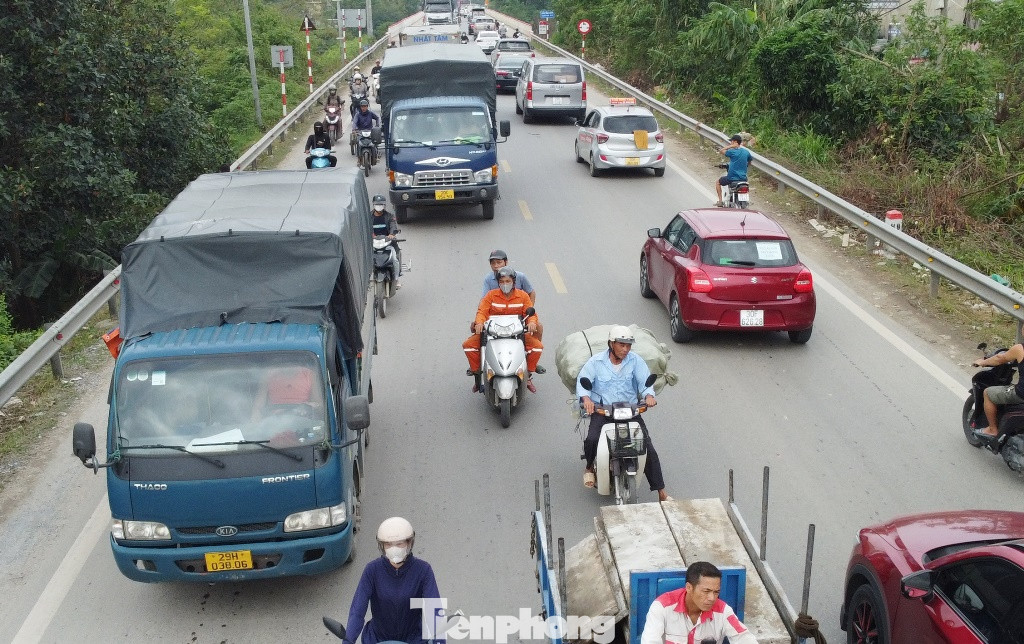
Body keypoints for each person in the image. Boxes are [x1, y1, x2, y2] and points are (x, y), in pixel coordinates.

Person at [578, 326, 669, 501]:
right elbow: (583, 385)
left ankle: (662, 492)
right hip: (603, 411)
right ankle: (589, 467)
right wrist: (587, 400)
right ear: (611, 344)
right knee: (591, 439)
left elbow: (645, 382)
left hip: (630, 411)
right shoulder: (596, 362)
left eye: (628, 345)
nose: (625, 349)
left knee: (648, 448)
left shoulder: (635, 361)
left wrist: (649, 395)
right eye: (622, 345)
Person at [345, 517, 443, 644]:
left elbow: (434, 610)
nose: (394, 548)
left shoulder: (423, 570)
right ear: (382, 546)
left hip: (413, 639)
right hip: (377, 639)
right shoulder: (372, 570)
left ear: (409, 543)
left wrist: (439, 640)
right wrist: (348, 640)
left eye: (399, 543)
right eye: (388, 544)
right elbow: (357, 611)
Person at [463, 266, 543, 393]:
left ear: (514, 282)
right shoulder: (491, 295)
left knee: (537, 347)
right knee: (468, 346)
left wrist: (532, 323)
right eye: (502, 282)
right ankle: (478, 373)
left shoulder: (522, 296)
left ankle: (528, 375)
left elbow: (531, 314)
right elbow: (482, 311)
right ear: (498, 283)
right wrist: (479, 323)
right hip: (492, 333)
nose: (505, 284)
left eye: (508, 281)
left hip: (516, 334)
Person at [640, 561, 758, 644]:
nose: (712, 598)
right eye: (706, 591)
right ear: (689, 588)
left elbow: (744, 638)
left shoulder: (723, 611)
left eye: (716, 592)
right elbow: (650, 641)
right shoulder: (662, 607)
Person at [480, 250, 544, 346]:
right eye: (493, 263)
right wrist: (480, 321)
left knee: (537, 327)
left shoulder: (520, 277)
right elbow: (484, 302)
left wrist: (528, 312)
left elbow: (531, 292)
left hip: (518, 313)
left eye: (499, 262)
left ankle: (531, 350)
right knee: (477, 332)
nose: (496, 266)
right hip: (497, 315)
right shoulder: (488, 280)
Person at [971, 343, 1024, 443]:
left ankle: (992, 430)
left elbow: (999, 359)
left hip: (1021, 394)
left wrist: (983, 362)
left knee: (988, 393)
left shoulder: (1019, 348)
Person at [371, 194, 402, 288]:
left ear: (384, 205)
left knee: (395, 259)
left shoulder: (389, 216)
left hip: (387, 242)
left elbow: (393, 225)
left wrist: (392, 234)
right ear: (373, 205)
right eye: (377, 204)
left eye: (381, 204)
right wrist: (370, 235)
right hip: (373, 243)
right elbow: (365, 228)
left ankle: (396, 279)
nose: (379, 206)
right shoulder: (368, 217)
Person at [715, 133, 753, 207]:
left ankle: (720, 201)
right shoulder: (746, 152)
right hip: (743, 179)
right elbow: (750, 162)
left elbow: (721, 151)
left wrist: (731, 146)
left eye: (731, 141)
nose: (730, 142)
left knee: (718, 182)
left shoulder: (732, 152)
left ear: (735, 142)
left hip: (732, 178)